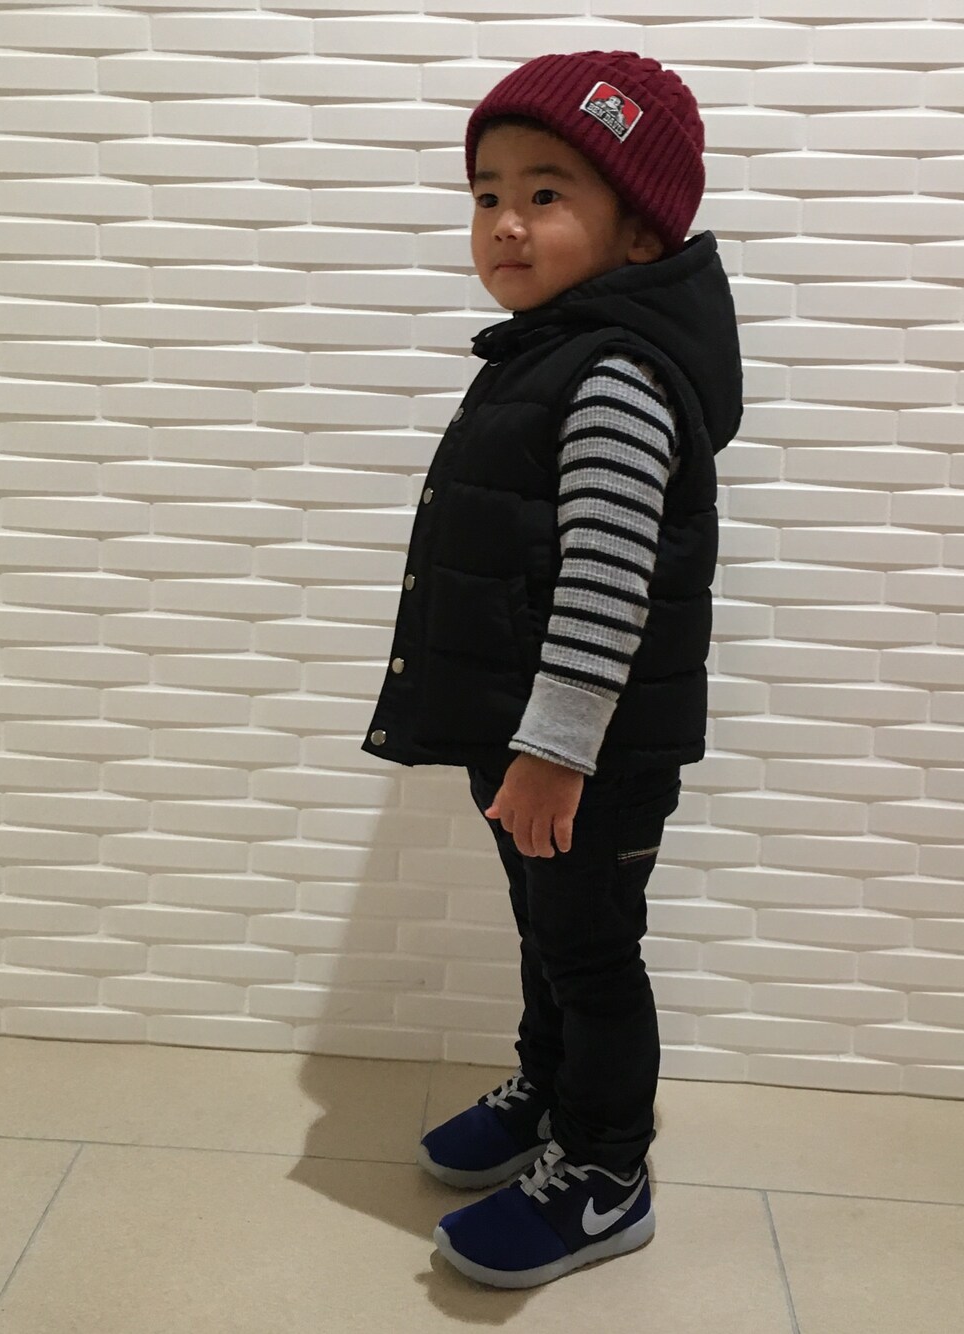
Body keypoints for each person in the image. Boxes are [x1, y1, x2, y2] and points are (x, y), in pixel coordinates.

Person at [361, 50, 743, 1287]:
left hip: (587, 754)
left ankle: (606, 1170)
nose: (505, 223)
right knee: (545, 933)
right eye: (486, 194)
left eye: (544, 192)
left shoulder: (615, 374)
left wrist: (553, 748)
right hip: (532, 739)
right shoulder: (546, 354)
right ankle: (549, 1088)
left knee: (590, 951)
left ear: (638, 231)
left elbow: (605, 580)